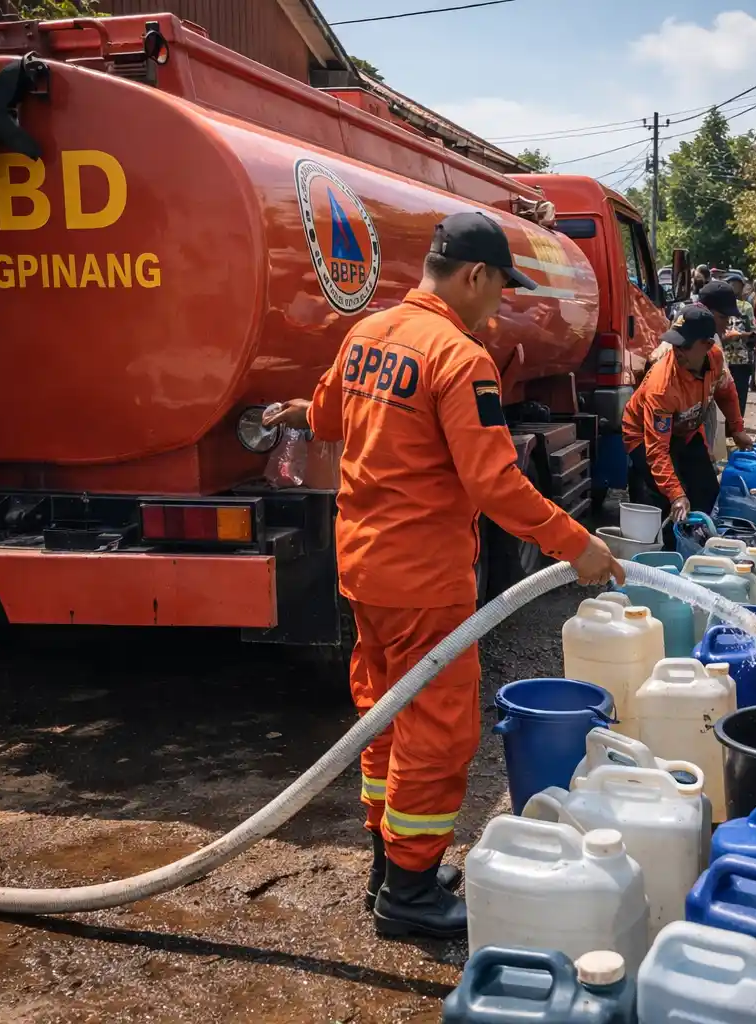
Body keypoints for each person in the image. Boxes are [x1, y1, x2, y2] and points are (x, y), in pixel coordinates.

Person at [264, 212, 624, 939]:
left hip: (364, 569)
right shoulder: (460, 358)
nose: (499, 306)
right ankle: (412, 894)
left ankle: (387, 866)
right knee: (436, 733)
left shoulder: (369, 331)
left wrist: (300, 409)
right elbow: (495, 484)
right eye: (499, 290)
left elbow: (330, 413)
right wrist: (576, 544)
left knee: (385, 716)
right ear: (474, 276)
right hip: (426, 581)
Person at [623, 303, 755, 530]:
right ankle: (669, 553)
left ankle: (698, 543)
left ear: (707, 345)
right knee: (670, 501)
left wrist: (737, 429)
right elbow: (657, 450)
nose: (677, 351)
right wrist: (676, 495)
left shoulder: (714, 358)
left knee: (707, 492)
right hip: (645, 436)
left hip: (686, 429)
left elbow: (725, 391)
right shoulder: (662, 385)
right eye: (674, 343)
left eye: (683, 345)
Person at [722, 272, 756, 410]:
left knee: (739, 397)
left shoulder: (746, 307)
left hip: (742, 360)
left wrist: (738, 335)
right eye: (731, 284)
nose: (734, 288)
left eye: (736, 285)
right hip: (723, 359)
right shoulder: (720, 305)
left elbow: (753, 333)